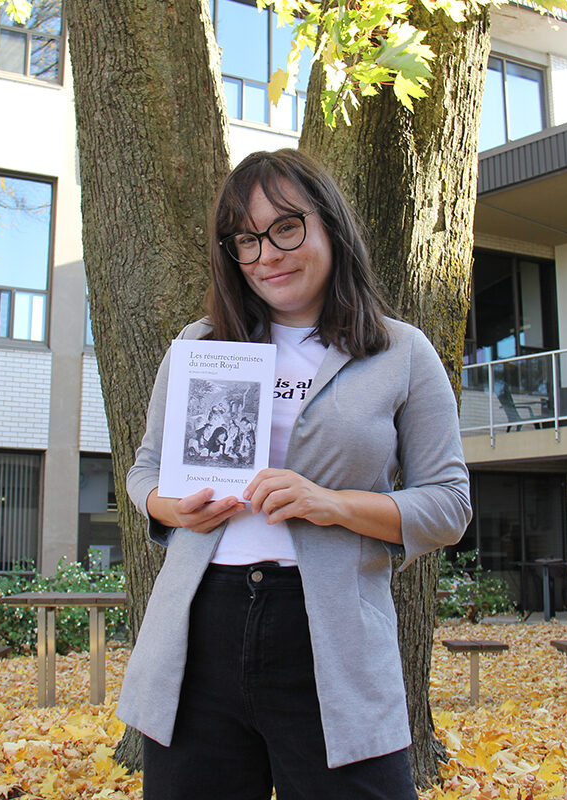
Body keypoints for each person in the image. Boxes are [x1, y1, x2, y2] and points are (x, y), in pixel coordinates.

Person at [116, 148, 472, 800]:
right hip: (198, 634)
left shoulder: (402, 353)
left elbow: (448, 505)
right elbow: (145, 471)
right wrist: (170, 508)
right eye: (246, 240)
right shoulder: (199, 347)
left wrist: (330, 504)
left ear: (330, 227)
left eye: (285, 228)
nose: (267, 255)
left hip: (332, 639)